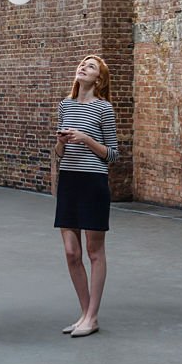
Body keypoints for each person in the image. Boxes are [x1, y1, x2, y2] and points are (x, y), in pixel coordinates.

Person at [52, 54, 118, 338]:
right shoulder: (65, 105)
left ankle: (92, 317)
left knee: (94, 252)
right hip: (68, 181)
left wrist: (87, 139)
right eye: (81, 64)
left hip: (93, 183)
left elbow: (113, 155)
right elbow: (58, 155)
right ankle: (84, 314)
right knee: (70, 252)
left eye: (90, 66)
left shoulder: (104, 109)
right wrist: (61, 142)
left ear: (99, 78)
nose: (83, 67)